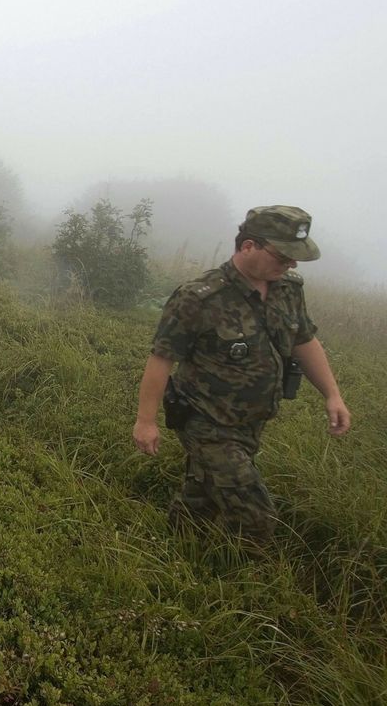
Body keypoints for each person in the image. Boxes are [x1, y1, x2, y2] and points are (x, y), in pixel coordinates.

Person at [132, 205, 351, 543]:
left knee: (201, 497)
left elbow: (304, 341)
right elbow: (161, 359)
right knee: (255, 515)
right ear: (249, 246)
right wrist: (146, 421)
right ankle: (239, 579)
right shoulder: (199, 298)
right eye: (283, 256)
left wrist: (332, 394)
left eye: (295, 258)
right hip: (206, 421)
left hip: (252, 422)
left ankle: (177, 553)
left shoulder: (287, 288)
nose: (290, 264)